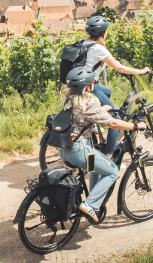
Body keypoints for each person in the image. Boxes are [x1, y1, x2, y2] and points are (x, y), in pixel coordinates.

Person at [61, 66, 147, 223]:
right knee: (113, 171)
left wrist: (101, 110)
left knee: (94, 168)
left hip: (65, 149)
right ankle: (91, 205)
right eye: (92, 81)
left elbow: (83, 115)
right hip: (79, 150)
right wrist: (136, 126)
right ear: (87, 86)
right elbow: (113, 123)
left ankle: (94, 201)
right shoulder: (89, 102)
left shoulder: (68, 100)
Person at [82, 15, 151, 158]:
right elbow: (120, 69)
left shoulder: (84, 43)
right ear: (103, 32)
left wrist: (111, 62)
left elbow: (91, 63)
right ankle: (110, 157)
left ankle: (97, 120)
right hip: (90, 88)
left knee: (107, 91)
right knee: (116, 116)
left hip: (82, 84)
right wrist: (141, 71)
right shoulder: (98, 48)